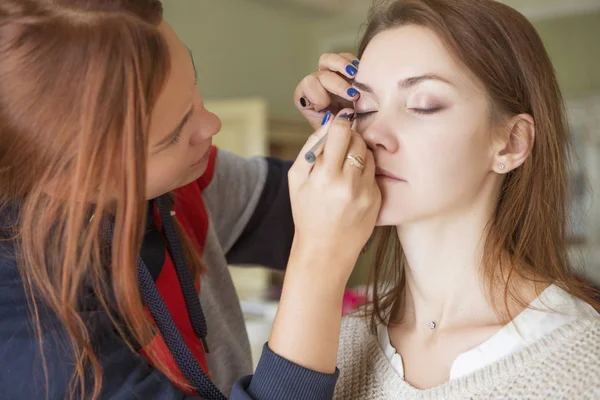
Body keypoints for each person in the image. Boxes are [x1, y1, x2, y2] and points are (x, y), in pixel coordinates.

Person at [0, 1, 380, 399]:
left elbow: (346, 217)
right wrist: (318, 262)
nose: (211, 124)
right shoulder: (28, 338)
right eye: (175, 134)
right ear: (71, 179)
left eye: (195, 87)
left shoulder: (182, 179)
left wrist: (357, 137)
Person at [299, 0, 599, 398]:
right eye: (365, 108)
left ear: (510, 143)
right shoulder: (328, 349)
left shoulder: (584, 364)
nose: (372, 136)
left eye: (425, 105)